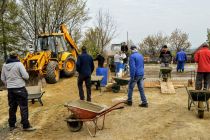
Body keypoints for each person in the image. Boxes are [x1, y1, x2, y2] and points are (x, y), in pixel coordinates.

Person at [1, 51, 36, 131]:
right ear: (16, 56)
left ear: (10, 56)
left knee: (12, 107)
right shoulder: (19, 64)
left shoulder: (4, 65)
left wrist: (8, 84)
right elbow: (26, 76)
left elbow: (2, 78)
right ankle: (26, 126)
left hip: (10, 90)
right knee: (23, 107)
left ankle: (12, 125)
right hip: (20, 88)